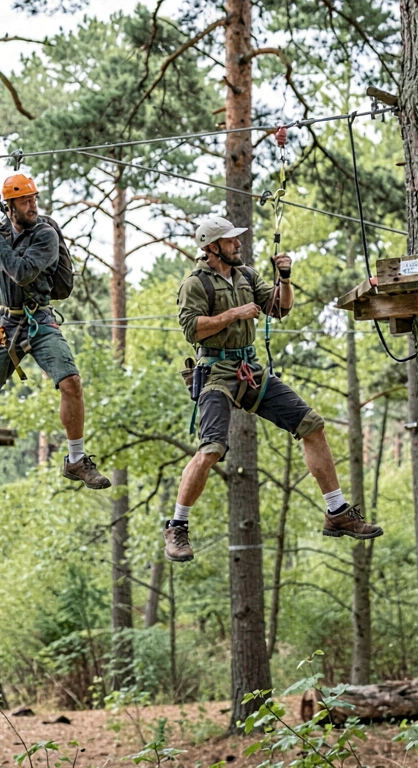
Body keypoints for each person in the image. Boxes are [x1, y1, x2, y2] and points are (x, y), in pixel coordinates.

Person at [164, 216, 382, 562]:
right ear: (211, 247)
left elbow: (280, 307)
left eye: (237, 240)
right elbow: (193, 330)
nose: (238, 245)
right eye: (231, 241)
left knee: (312, 425)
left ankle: (336, 511)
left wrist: (285, 278)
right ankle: (177, 526)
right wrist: (234, 314)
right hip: (216, 372)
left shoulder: (246, 275)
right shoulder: (196, 284)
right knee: (211, 449)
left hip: (249, 369)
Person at [0, 165, 110, 490]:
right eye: (25, 202)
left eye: (34, 200)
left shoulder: (45, 235)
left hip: (40, 321)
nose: (33, 206)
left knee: (71, 383)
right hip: (8, 323)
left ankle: (76, 459)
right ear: (10, 207)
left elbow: (21, 272)